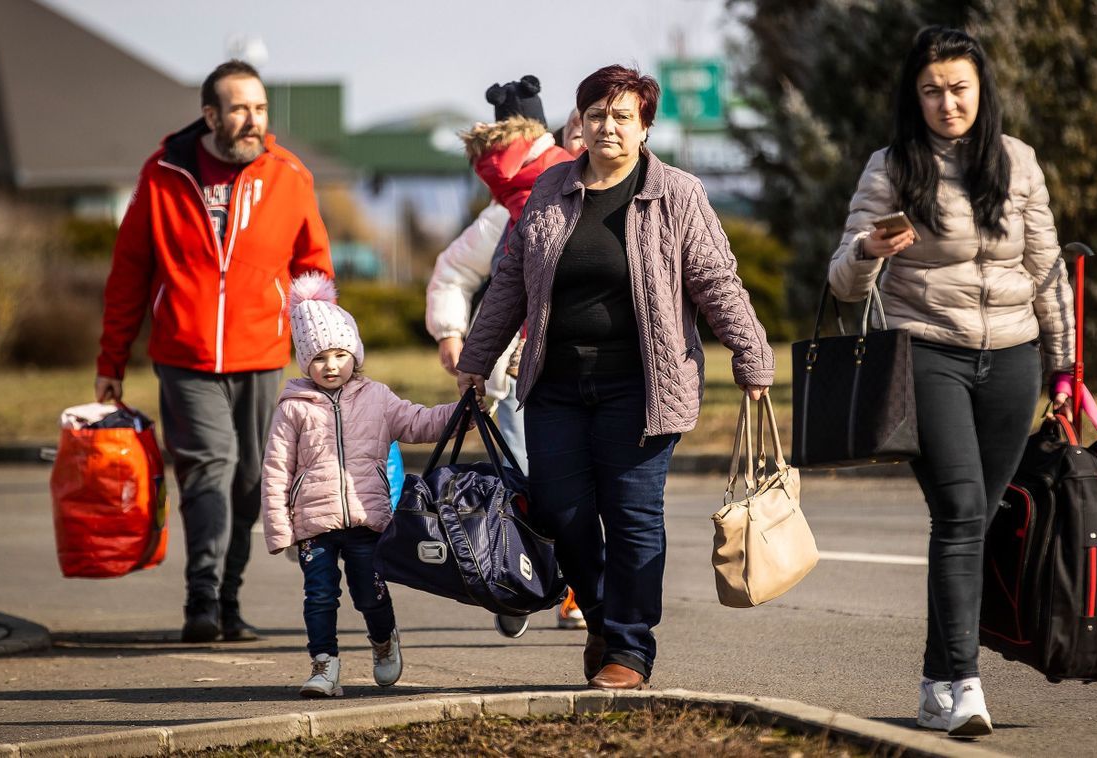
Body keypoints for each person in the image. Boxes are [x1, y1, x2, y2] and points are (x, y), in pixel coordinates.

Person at [456, 64, 774, 690]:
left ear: (644, 126)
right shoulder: (549, 192)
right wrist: (475, 360)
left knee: (631, 519)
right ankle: (602, 618)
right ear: (578, 124)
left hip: (645, 387)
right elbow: (510, 284)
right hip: (555, 385)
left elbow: (715, 282)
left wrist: (751, 353)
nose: (606, 127)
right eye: (595, 115)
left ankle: (630, 650)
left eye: (621, 116)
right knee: (562, 513)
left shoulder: (677, 194)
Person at [827, 26, 1075, 737]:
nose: (946, 103)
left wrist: (1062, 366)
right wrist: (868, 249)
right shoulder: (891, 166)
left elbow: (1046, 270)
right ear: (915, 95)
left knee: (974, 518)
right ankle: (962, 684)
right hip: (924, 353)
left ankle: (938, 681)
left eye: (958, 88)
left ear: (980, 89)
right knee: (964, 507)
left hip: (1014, 356)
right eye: (931, 90)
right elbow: (842, 280)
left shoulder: (1017, 162)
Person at [95, 60, 334, 643]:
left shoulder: (288, 175)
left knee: (252, 479)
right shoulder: (163, 174)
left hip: (261, 353)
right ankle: (200, 601)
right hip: (186, 353)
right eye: (239, 108)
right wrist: (112, 362)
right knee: (209, 466)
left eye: (260, 108)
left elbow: (314, 267)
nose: (253, 120)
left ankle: (229, 601)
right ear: (210, 115)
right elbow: (129, 271)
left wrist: (321, 344)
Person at [426, 77, 585, 637]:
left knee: (548, 482)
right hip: (525, 371)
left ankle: (544, 585)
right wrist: (452, 333)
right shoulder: (517, 207)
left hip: (561, 365)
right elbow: (457, 270)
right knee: (545, 481)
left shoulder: (515, 199)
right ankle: (539, 584)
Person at [261, 273, 457, 697]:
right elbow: (276, 469)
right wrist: (280, 528)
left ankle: (383, 641)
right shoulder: (293, 407)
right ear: (303, 362)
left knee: (370, 594)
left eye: (338, 354)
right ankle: (324, 666)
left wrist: (459, 415)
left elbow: (418, 421)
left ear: (354, 354)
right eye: (318, 358)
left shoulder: (377, 398)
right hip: (315, 523)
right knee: (319, 598)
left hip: (368, 520)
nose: (330, 366)